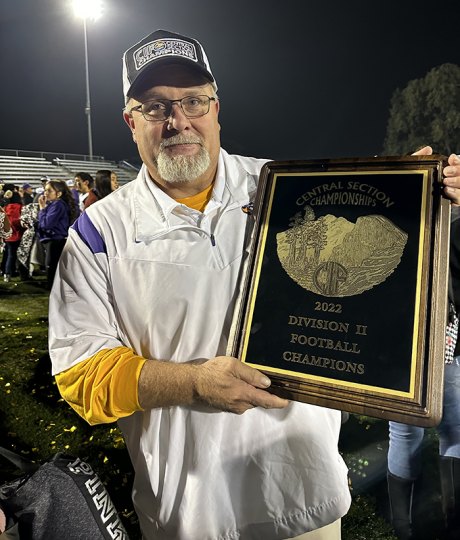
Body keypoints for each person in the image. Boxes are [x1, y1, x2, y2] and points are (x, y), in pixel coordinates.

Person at [47, 29, 460, 540]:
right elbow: (81, 376)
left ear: (216, 109)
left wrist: (423, 195)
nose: (178, 120)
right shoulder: (97, 231)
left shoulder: (286, 186)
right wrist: (193, 382)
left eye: (192, 101)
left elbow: (367, 261)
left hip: (306, 495)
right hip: (191, 509)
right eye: (155, 107)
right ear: (130, 122)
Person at [387, 154, 460, 540]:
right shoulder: (450, 217)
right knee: (456, 430)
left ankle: (405, 529)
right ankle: (451, 524)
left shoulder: (391, 222)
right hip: (441, 335)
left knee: (405, 434)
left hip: (402, 342)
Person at [37, 180, 78, 289]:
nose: (45, 193)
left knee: (52, 266)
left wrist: (42, 209)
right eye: (45, 190)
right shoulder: (55, 204)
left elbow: (46, 224)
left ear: (58, 193)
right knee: (53, 266)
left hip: (56, 240)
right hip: (56, 239)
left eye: (49, 190)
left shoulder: (58, 204)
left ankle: (53, 289)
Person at [3, 189, 23, 282]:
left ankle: (8, 273)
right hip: (16, 234)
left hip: (7, 235)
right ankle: (10, 272)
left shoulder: (6, 207)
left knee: (9, 254)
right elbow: (18, 222)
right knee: (13, 255)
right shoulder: (19, 207)